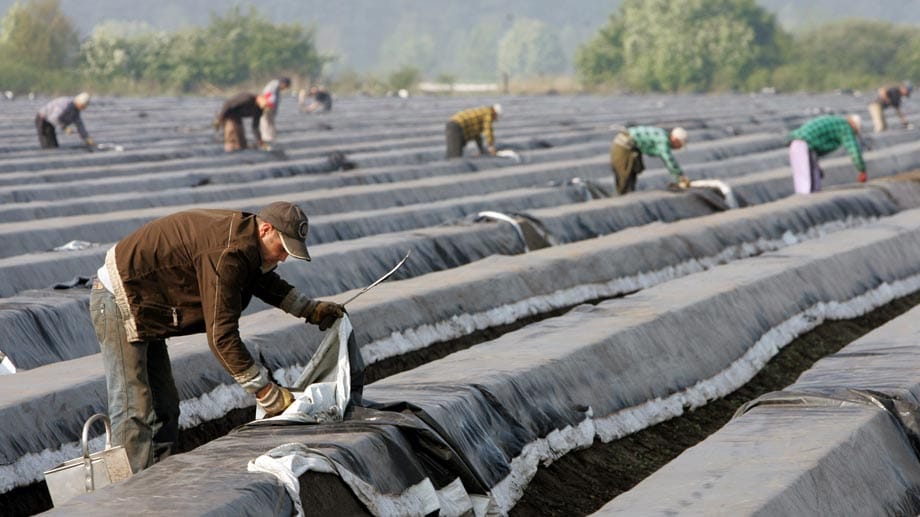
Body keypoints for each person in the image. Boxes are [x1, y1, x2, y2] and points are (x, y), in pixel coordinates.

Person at [90, 201, 346, 473]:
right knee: (134, 408)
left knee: (165, 408)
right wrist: (264, 391)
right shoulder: (226, 252)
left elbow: (260, 280)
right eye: (282, 248)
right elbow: (221, 335)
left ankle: (157, 480)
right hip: (118, 297)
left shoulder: (246, 243)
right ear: (266, 230)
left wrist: (308, 308)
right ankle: (126, 494)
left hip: (147, 302)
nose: (283, 258)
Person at [786, 114, 866, 194]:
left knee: (802, 180)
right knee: (810, 185)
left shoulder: (837, 121)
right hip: (804, 146)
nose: (853, 134)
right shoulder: (845, 127)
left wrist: (817, 166)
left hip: (796, 143)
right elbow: (853, 149)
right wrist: (862, 170)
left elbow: (814, 145)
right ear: (854, 125)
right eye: (855, 131)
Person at [610, 126, 689, 195]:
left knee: (633, 172)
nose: (679, 148)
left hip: (631, 148)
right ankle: (624, 197)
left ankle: (627, 194)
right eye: (680, 144)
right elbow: (668, 159)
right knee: (625, 176)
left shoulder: (663, 135)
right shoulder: (663, 140)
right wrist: (680, 176)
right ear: (675, 139)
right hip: (623, 146)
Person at [259, 77, 291, 149]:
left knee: (270, 123)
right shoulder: (273, 86)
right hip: (267, 107)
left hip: (270, 108)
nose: (284, 89)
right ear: (283, 83)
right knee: (266, 123)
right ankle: (267, 140)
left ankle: (271, 138)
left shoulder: (276, 86)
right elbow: (269, 97)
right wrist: (268, 109)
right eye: (285, 87)